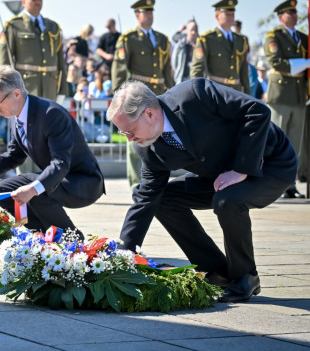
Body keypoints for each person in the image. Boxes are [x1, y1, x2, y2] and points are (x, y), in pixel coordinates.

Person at [106, 78, 297, 302]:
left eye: (129, 131)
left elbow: (256, 111)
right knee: (164, 199)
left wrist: (241, 169)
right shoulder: (149, 148)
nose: (129, 139)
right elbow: (146, 199)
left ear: (148, 113)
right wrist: (124, 256)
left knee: (227, 201)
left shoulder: (194, 94)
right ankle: (219, 271)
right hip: (218, 175)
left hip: (269, 163)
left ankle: (245, 276)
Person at [0, 65, 105, 233]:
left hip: (82, 182)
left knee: (35, 188)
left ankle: (70, 238)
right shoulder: (18, 115)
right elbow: (14, 156)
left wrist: (32, 188)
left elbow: (60, 163)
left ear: (16, 94)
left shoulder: (51, 114)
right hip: (59, 178)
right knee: (0, 190)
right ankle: (40, 234)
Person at [111, 0, 173, 189]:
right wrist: (120, 97)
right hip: (137, 96)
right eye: (145, 12)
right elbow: (119, 69)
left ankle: (158, 181)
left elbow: (166, 70)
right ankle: (136, 183)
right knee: (135, 139)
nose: (149, 16)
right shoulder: (129, 38)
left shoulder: (162, 39)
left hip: (159, 94)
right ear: (137, 15)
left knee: (161, 138)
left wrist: (171, 93)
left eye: (151, 12)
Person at [263, 0, 308, 199]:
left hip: (298, 95)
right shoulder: (274, 36)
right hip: (280, 94)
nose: (294, 16)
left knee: (294, 145)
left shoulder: (303, 37)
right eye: (290, 13)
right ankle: (272, 184)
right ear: (281, 17)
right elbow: (275, 61)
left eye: (295, 12)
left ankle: (290, 184)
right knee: (276, 142)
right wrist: (304, 63)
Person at [0, 0, 68, 100]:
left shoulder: (53, 27)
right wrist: (6, 90)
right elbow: (5, 62)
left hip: (50, 88)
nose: (38, 2)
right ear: (23, 2)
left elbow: (60, 61)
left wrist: (63, 89)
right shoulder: (13, 26)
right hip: (26, 86)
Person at [190, 0, 250, 93]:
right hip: (216, 91)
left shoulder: (241, 40)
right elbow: (197, 70)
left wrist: (248, 95)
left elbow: (244, 71)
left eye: (233, 14)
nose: (231, 17)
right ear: (217, 16)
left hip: (236, 92)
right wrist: (198, 94)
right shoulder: (207, 39)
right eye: (227, 14)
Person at [171, 20, 198, 84]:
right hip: (182, 81)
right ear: (187, 31)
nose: (193, 32)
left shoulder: (200, 46)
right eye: (191, 30)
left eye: (195, 30)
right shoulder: (180, 45)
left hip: (196, 82)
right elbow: (175, 64)